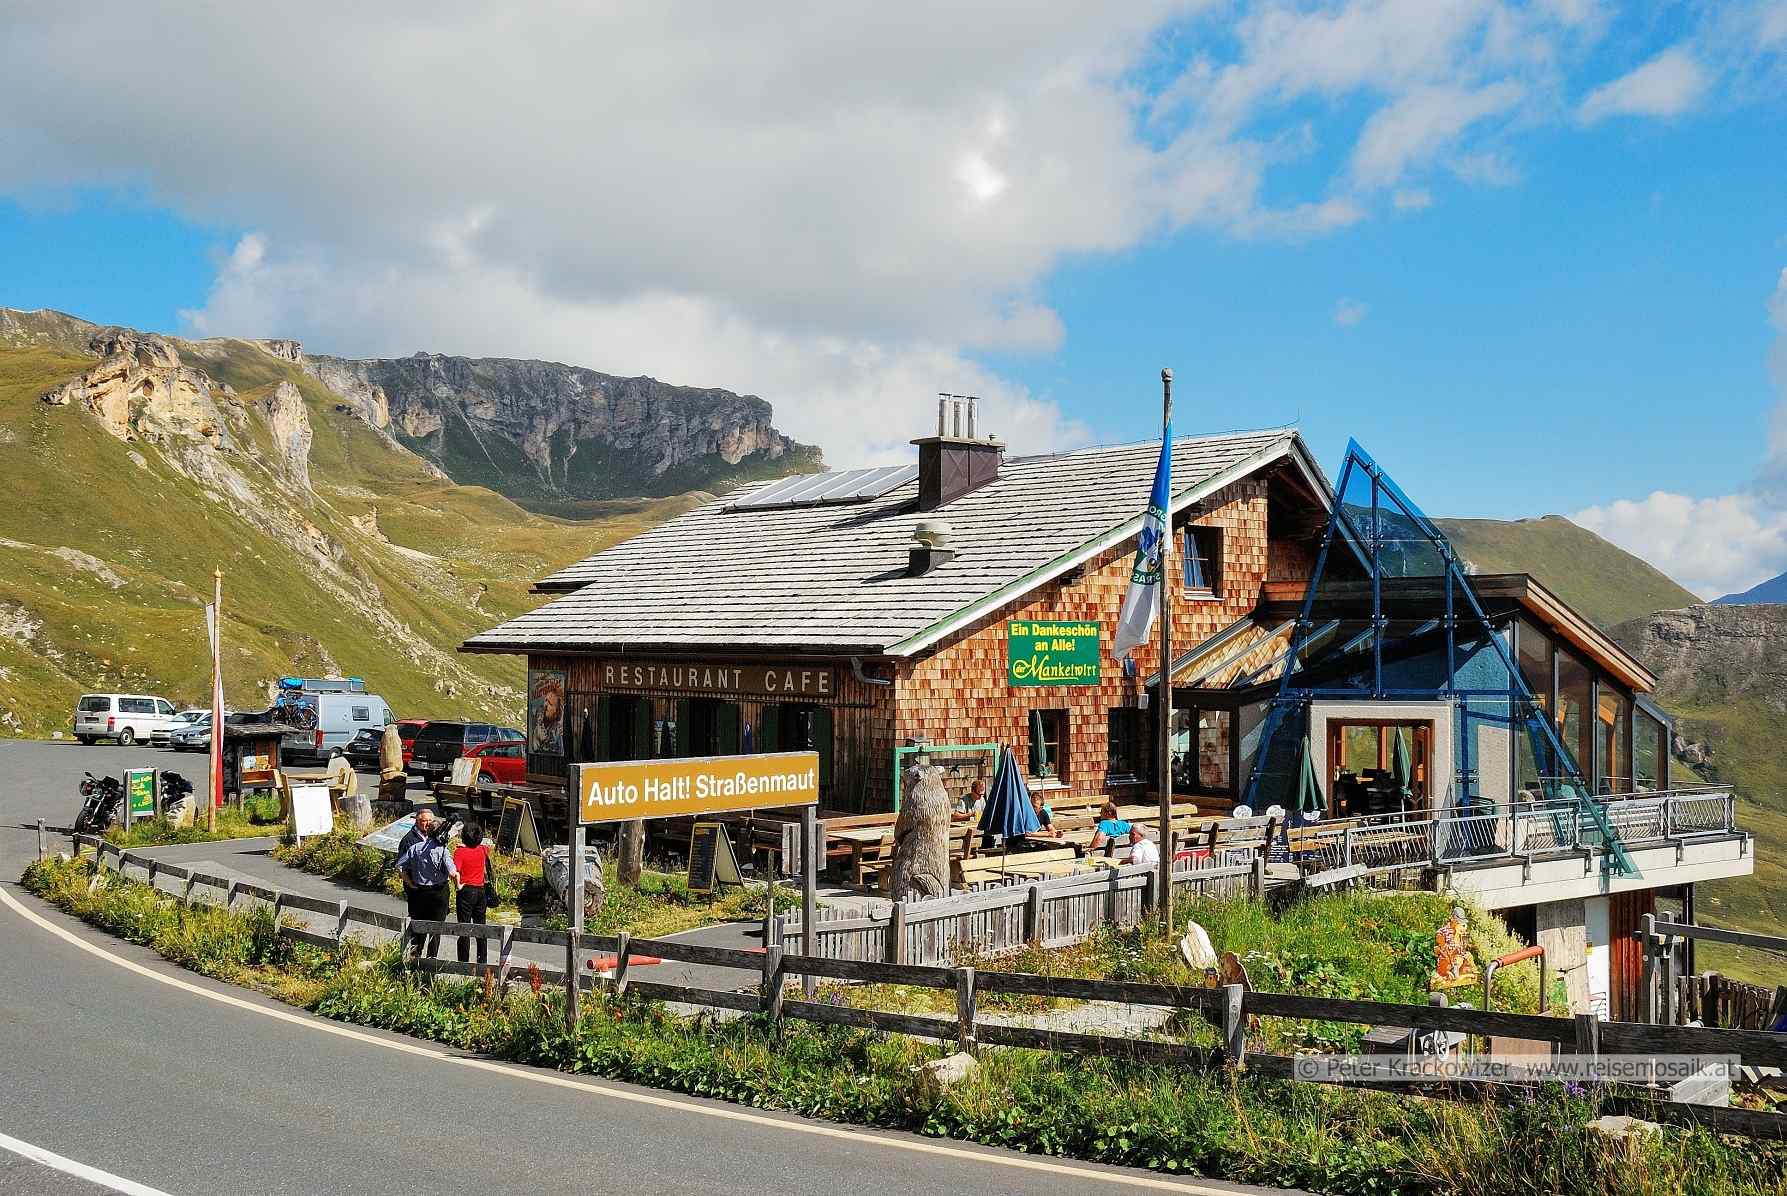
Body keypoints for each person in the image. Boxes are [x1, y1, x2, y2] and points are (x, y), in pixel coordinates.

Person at [397, 811, 457, 960]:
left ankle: (414, 957)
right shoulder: (441, 849)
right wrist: (458, 884)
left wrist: (410, 882)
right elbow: (452, 871)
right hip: (438, 892)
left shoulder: (415, 848)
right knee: (436, 928)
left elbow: (399, 866)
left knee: (418, 926)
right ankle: (431, 959)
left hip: (419, 891)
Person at [453, 821, 496, 965]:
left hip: (466, 890)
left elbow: (455, 872)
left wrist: (458, 886)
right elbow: (485, 846)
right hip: (480, 890)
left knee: (464, 927)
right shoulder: (483, 850)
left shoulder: (459, 852)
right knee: (480, 927)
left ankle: (463, 962)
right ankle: (482, 960)